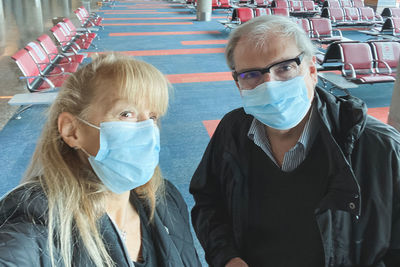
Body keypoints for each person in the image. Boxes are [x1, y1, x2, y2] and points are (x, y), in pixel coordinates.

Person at [189, 15, 400, 267]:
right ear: (238, 84)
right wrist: (226, 257)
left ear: (311, 70)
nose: (270, 85)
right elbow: (208, 202)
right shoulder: (232, 131)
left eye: (284, 67)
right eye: (252, 74)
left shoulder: (381, 148)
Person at [0, 53, 201, 267]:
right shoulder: (38, 219)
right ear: (72, 130)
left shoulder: (166, 198)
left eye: (152, 116)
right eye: (126, 113)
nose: (147, 129)